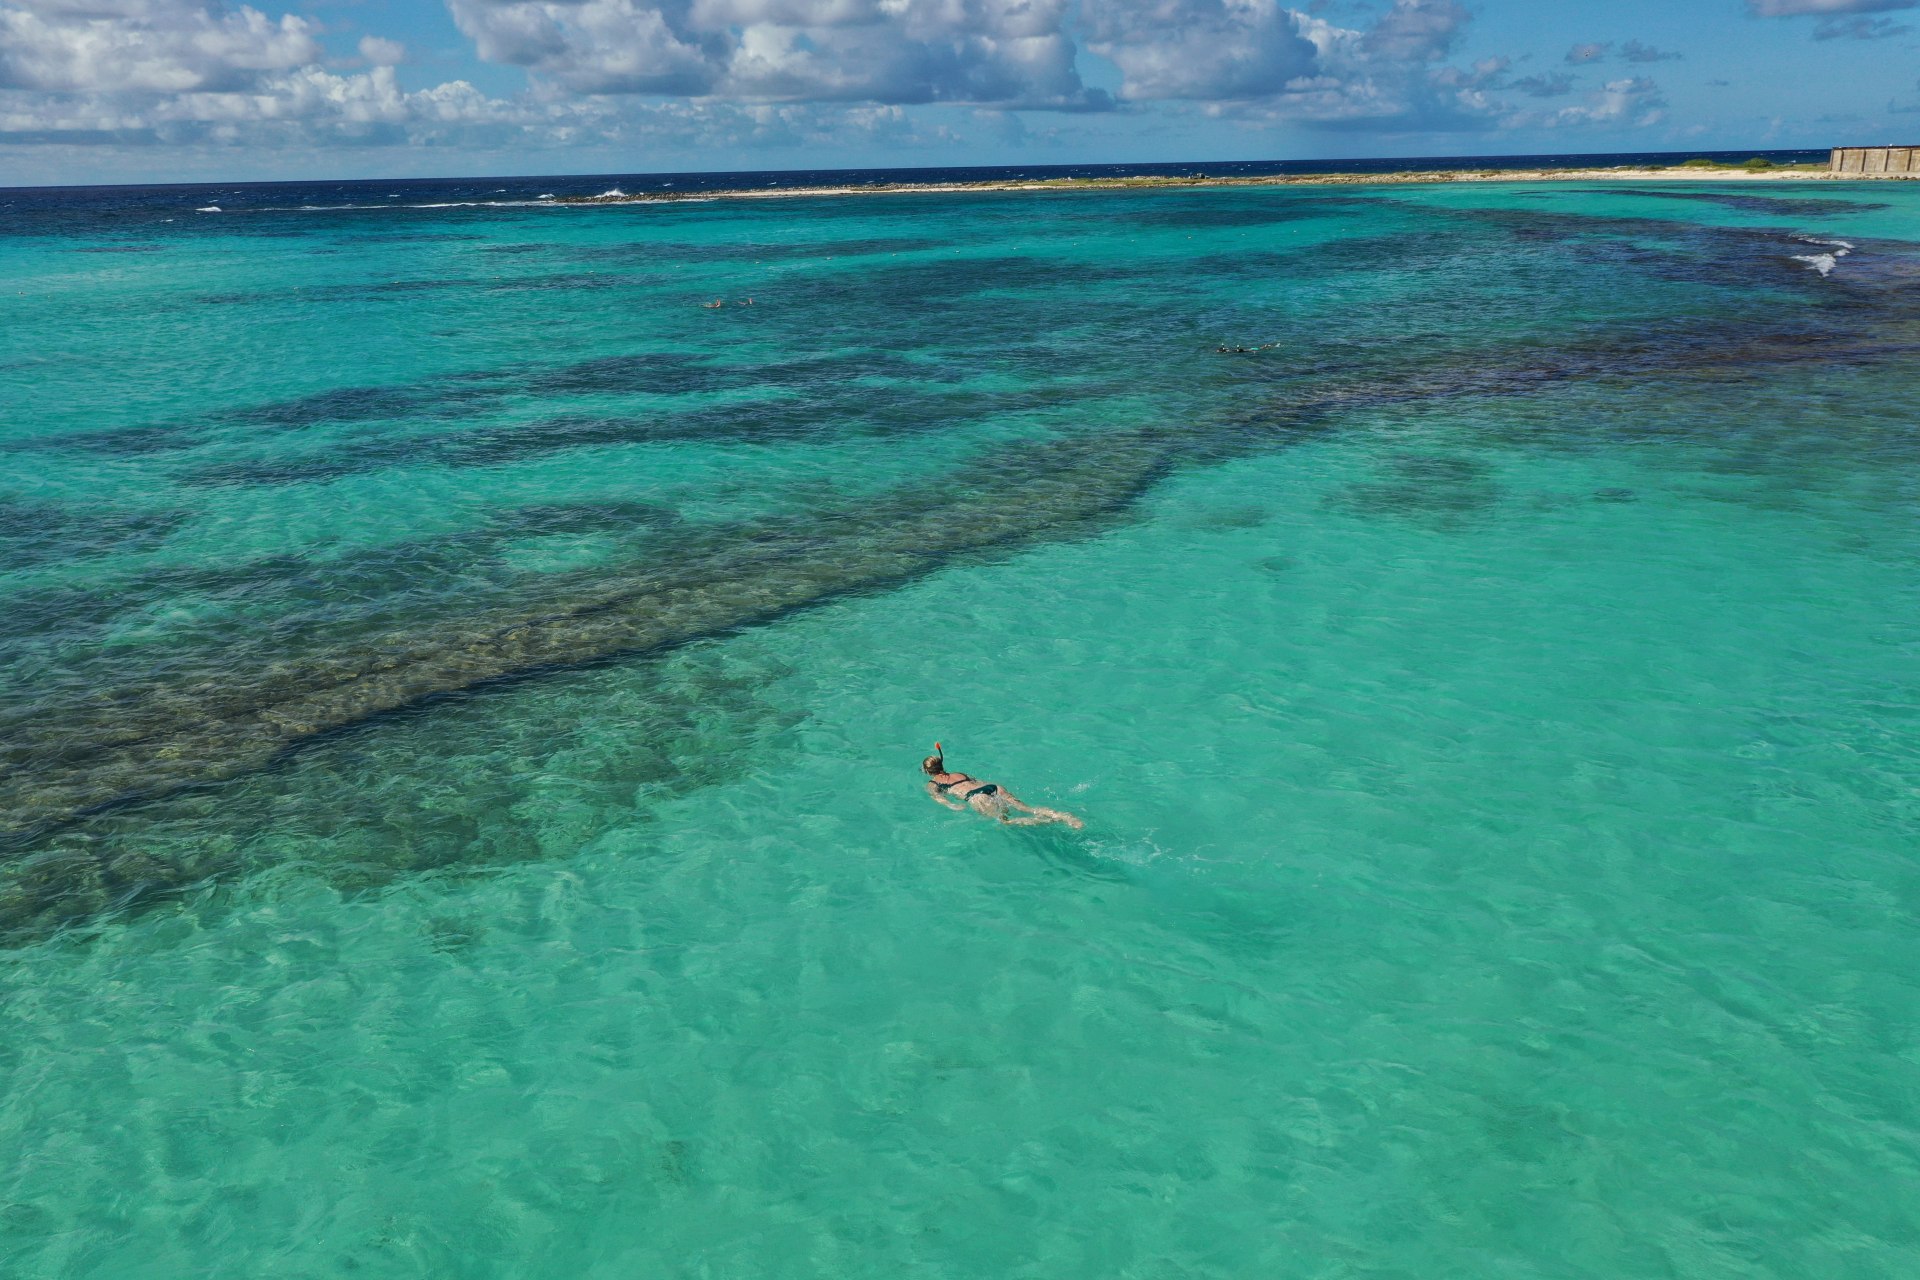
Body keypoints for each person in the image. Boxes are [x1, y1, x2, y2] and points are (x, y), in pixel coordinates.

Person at [922, 742, 1083, 829]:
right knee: (1026, 808)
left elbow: (940, 799)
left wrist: (954, 807)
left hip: (977, 797)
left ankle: (1048, 821)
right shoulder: (959, 773)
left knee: (1004, 822)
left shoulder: (933, 784)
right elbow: (974, 781)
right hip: (993, 787)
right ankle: (1064, 816)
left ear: (929, 772)